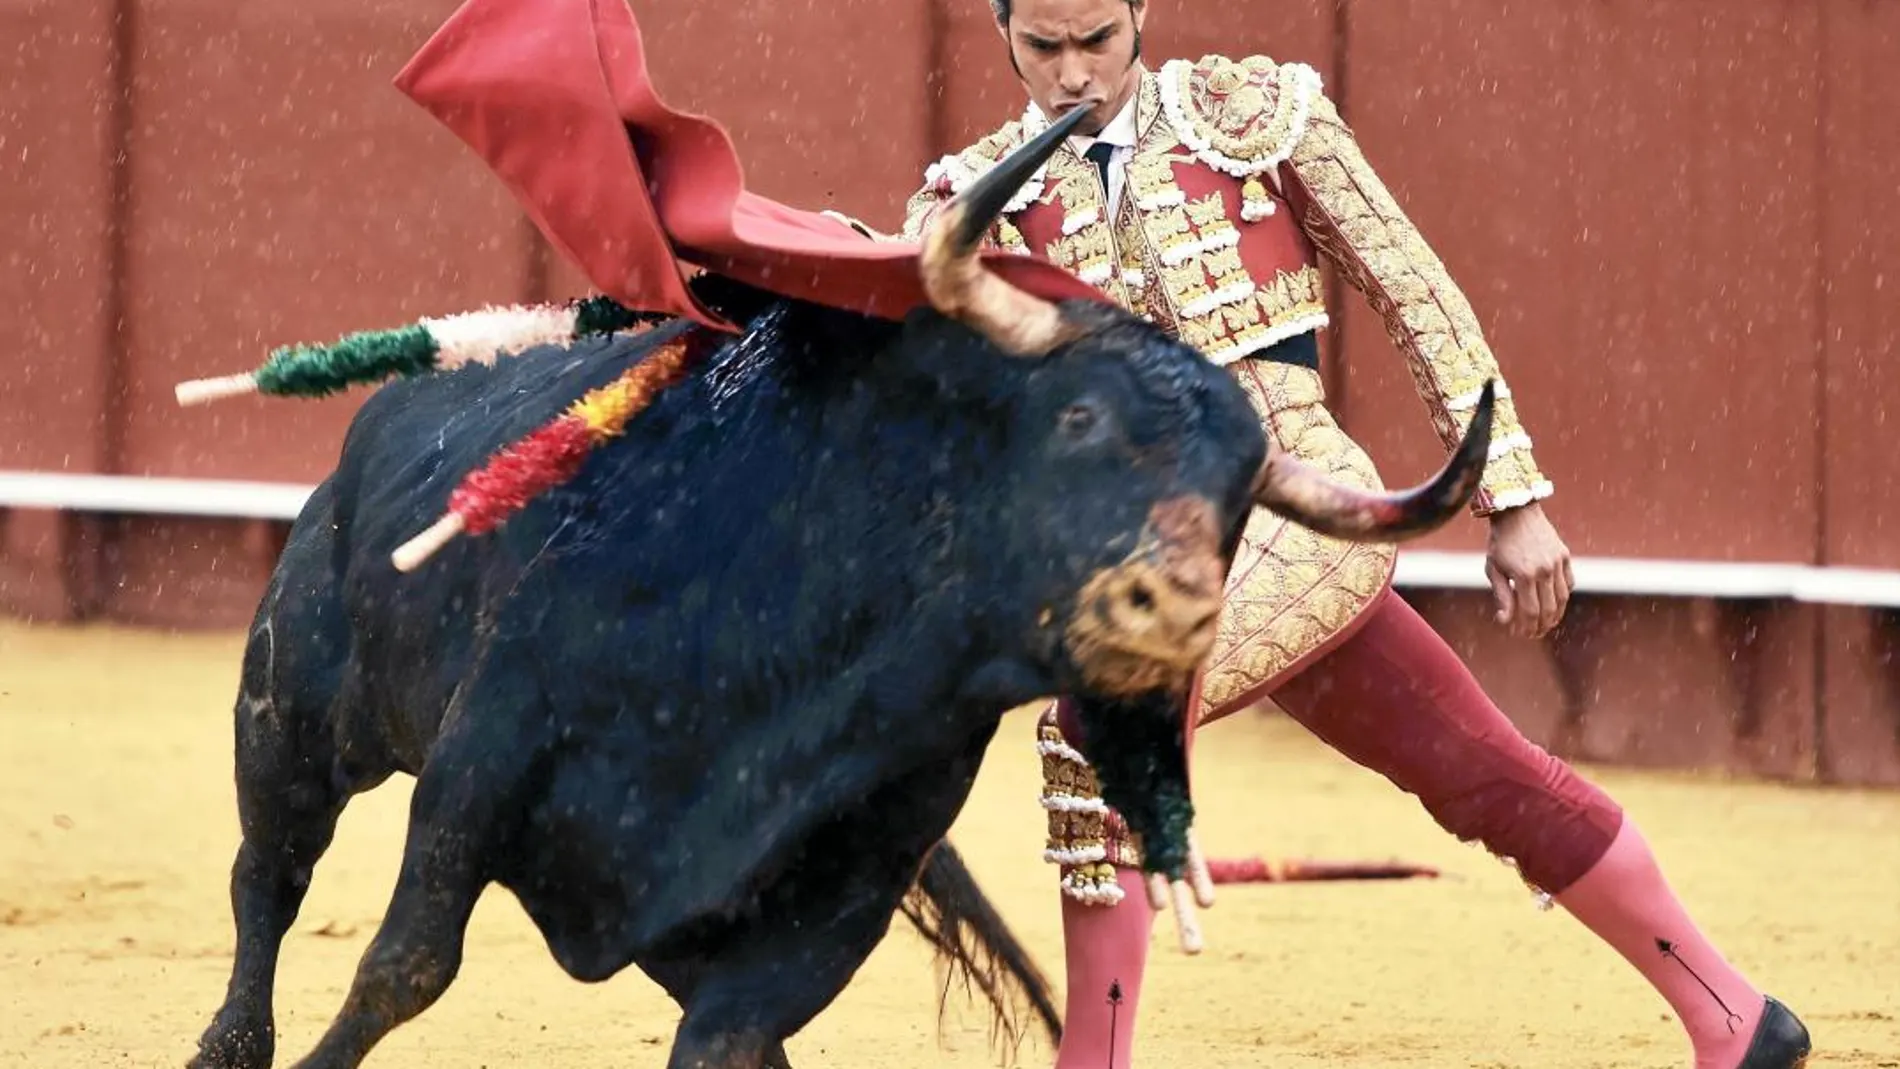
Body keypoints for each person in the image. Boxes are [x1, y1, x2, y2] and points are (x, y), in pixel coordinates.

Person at [880, 2, 1813, 1067]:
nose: (1072, 72)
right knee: (1484, 774)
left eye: (1097, 38)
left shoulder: (1253, 113)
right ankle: (1735, 1016)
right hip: (1142, 540)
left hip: (1305, 507)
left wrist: (1511, 496)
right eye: (1042, 46)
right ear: (998, 29)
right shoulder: (973, 197)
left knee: (1099, 729)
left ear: (1142, 11)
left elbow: (1412, 287)